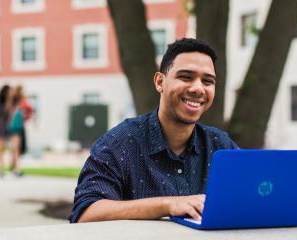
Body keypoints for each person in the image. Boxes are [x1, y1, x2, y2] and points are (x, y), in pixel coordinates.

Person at [69, 38, 239, 223]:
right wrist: (167, 205)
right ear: (160, 82)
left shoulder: (221, 145)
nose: (198, 88)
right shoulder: (120, 142)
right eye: (186, 77)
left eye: (207, 81)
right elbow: (86, 213)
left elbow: (252, 198)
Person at [6, 86, 25, 177]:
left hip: (17, 129)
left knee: (15, 149)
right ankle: (17, 169)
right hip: (14, 130)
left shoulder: (17, 107)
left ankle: (13, 166)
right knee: (16, 149)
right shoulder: (13, 107)